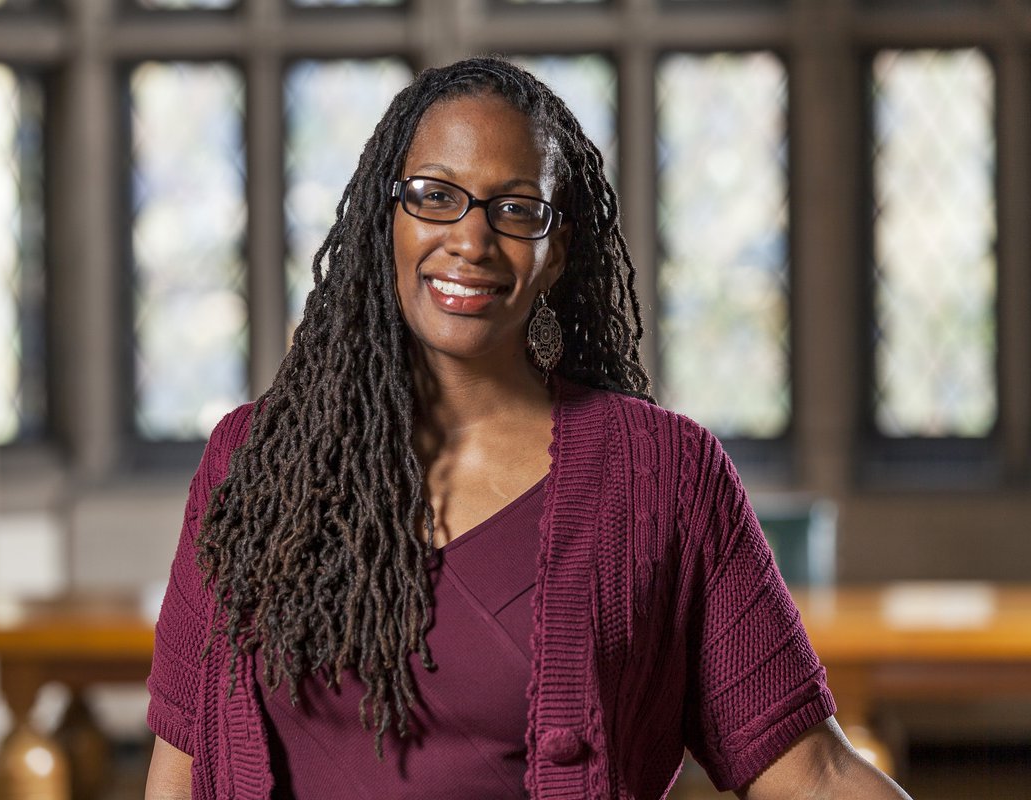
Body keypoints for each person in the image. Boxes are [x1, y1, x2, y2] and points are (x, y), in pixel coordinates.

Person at [144, 56, 912, 799]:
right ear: (387, 218)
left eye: (515, 209)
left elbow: (813, 774)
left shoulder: (664, 474)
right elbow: (180, 772)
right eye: (434, 196)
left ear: (556, 251)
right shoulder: (252, 462)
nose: (471, 241)